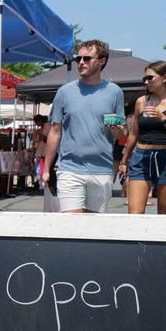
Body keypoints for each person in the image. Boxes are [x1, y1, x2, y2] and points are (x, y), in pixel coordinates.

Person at [42, 40, 126, 213]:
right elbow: (55, 132)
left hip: (102, 169)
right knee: (72, 227)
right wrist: (46, 169)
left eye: (87, 58)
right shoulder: (64, 91)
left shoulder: (115, 92)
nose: (80, 62)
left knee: (93, 231)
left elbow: (121, 133)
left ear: (102, 61)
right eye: (78, 58)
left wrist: (118, 132)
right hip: (70, 169)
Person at [119, 60, 166, 215]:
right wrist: (124, 161)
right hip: (141, 157)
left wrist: (162, 118)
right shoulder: (141, 101)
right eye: (144, 79)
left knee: (164, 215)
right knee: (134, 214)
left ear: (164, 78)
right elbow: (134, 134)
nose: (146, 82)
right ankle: (137, 240)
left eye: (150, 78)